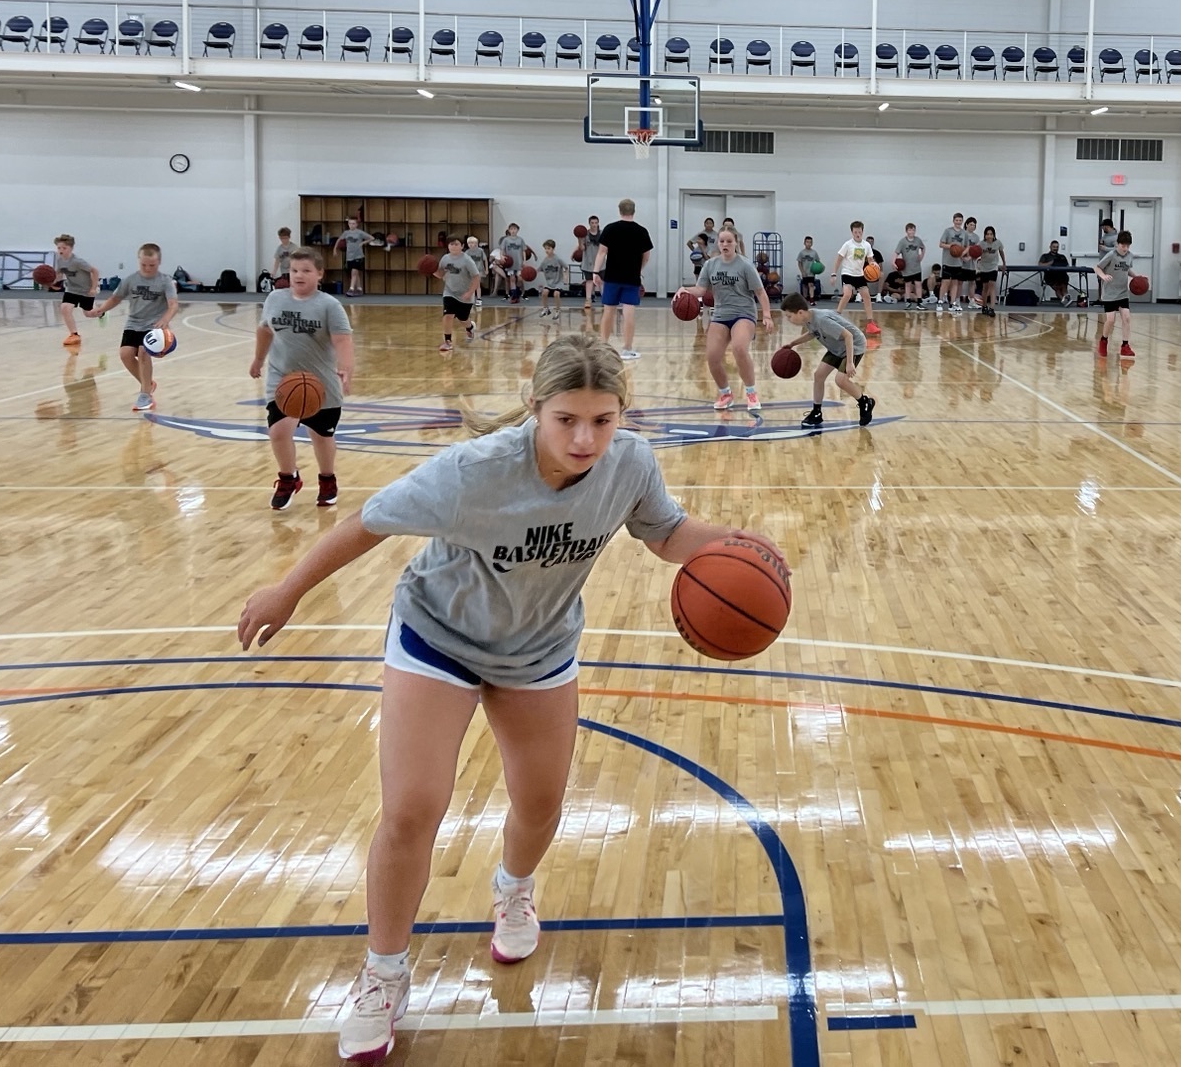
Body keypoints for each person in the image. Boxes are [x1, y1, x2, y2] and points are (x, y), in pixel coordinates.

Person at [235, 334, 783, 1067]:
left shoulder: (629, 465)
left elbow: (669, 535)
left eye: (603, 419)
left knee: (541, 802)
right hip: (440, 636)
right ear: (536, 410)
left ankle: (513, 889)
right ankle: (384, 974)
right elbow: (366, 522)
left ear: (623, 415)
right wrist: (286, 590)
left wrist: (745, 548)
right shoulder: (472, 473)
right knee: (411, 809)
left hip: (537, 648)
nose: (585, 438)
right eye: (567, 420)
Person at [250, 248, 354, 511]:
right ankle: (288, 478)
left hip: (320, 385)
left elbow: (343, 339)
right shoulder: (275, 298)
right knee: (278, 432)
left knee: (321, 437)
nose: (299, 275)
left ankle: (327, 479)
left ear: (319, 274)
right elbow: (264, 331)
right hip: (283, 379)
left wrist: (345, 366)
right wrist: (258, 359)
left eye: (306, 271)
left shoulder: (330, 305)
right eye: (294, 270)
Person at [681, 227, 772, 417]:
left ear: (736, 243)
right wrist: (684, 290)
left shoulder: (745, 265)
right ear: (717, 243)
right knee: (712, 356)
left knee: (739, 348)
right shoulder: (710, 265)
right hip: (721, 314)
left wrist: (768, 316)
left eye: (729, 241)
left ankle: (751, 393)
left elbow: (760, 292)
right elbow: (700, 290)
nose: (725, 244)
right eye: (721, 241)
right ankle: (725, 394)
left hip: (744, 313)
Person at [91, 242, 179, 412]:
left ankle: (145, 395)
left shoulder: (165, 281)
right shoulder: (130, 280)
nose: (147, 268)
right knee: (125, 354)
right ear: (139, 261)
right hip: (133, 323)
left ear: (159, 262)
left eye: (151, 265)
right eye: (143, 264)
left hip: (154, 325)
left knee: (144, 352)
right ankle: (148, 384)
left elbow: (173, 304)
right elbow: (116, 298)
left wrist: (166, 319)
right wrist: (101, 310)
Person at [779, 293, 873, 428]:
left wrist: (850, 362)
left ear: (800, 312)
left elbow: (848, 336)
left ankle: (865, 402)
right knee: (819, 375)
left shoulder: (822, 320)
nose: (788, 319)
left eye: (789, 316)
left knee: (841, 380)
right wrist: (793, 344)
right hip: (836, 346)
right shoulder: (809, 319)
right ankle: (817, 412)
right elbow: (813, 333)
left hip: (853, 346)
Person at [593, 198, 653, 361]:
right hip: (631, 278)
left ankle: (603, 346)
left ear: (619, 210)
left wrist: (595, 272)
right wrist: (638, 270)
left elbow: (601, 252)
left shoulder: (610, 229)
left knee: (608, 311)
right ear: (634, 211)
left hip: (612, 277)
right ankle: (627, 349)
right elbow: (646, 256)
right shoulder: (641, 231)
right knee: (629, 313)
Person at [832, 221, 881, 336]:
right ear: (852, 232)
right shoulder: (848, 245)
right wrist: (833, 273)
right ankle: (836, 317)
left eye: (859, 232)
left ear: (862, 231)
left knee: (867, 297)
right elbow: (839, 259)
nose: (857, 234)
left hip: (859, 274)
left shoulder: (866, 245)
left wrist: (874, 264)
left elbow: (870, 260)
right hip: (847, 273)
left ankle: (870, 324)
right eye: (855, 232)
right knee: (848, 294)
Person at [1093, 230, 1136, 358]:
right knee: (1110, 320)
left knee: (1127, 318)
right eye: (1123, 246)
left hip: (1123, 292)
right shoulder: (1111, 255)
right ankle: (1103, 340)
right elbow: (1097, 267)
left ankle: (1125, 346)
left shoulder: (1130, 256)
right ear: (1117, 244)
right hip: (1110, 293)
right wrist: (1103, 276)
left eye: (1128, 246)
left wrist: (1137, 277)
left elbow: (1127, 270)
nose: (1125, 248)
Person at [51, 234, 98, 347]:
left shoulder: (77, 261)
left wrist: (93, 288)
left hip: (86, 290)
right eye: (59, 248)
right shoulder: (59, 260)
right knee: (65, 308)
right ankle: (74, 334)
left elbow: (94, 271)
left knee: (88, 313)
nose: (61, 250)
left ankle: (102, 313)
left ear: (71, 248)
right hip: (71, 289)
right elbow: (59, 273)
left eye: (64, 248)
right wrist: (53, 283)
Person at [436, 237, 478, 353]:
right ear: (448, 246)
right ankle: (447, 341)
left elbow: (476, 277)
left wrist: (470, 292)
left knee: (463, 319)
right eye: (451, 244)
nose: (453, 246)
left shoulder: (467, 260)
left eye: (456, 244)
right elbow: (440, 274)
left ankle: (469, 327)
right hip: (449, 292)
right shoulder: (445, 258)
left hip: (465, 295)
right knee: (448, 315)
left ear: (462, 246)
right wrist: (431, 270)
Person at [338, 217, 380, 297]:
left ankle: (351, 289)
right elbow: (340, 240)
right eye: (350, 223)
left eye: (353, 223)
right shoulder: (346, 233)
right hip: (349, 256)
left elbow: (372, 238)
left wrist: (363, 242)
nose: (351, 225)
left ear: (357, 224)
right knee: (355, 273)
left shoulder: (360, 233)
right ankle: (359, 289)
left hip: (358, 256)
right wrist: (335, 249)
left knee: (354, 272)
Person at [895, 224, 928, 308]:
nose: (911, 232)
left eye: (913, 230)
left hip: (916, 267)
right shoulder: (902, 241)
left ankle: (919, 302)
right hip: (907, 267)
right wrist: (893, 262)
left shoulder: (918, 240)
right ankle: (908, 301)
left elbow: (923, 247)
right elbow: (896, 252)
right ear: (906, 231)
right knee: (908, 285)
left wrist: (922, 255)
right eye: (910, 230)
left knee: (918, 284)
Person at [974, 225, 1004, 314]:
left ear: (994, 235)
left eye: (991, 234)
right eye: (987, 234)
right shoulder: (981, 244)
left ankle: (992, 308)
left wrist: (1004, 263)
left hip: (993, 267)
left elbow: (1001, 252)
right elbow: (975, 253)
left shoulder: (998, 243)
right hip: (984, 268)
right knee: (985, 288)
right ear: (985, 235)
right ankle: (984, 305)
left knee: (992, 286)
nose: (989, 236)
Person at [579, 216, 603, 318]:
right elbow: (582, 248)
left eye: (595, 223)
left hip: (600, 262)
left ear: (598, 223)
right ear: (589, 224)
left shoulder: (602, 234)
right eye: (592, 223)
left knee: (601, 282)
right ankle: (588, 300)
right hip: (588, 262)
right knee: (589, 281)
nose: (594, 224)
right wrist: (579, 239)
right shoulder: (585, 235)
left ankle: (605, 299)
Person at [498, 224, 528, 304]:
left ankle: (517, 292)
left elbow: (523, 251)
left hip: (519, 262)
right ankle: (514, 296)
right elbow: (502, 250)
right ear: (509, 230)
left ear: (518, 230)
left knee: (520, 279)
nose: (513, 230)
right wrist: (501, 257)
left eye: (515, 229)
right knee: (512, 279)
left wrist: (524, 260)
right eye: (511, 229)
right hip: (510, 263)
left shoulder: (520, 240)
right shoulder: (506, 240)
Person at [536, 240, 566, 318]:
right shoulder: (545, 261)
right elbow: (538, 270)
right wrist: (530, 273)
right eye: (545, 249)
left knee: (556, 294)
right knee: (544, 293)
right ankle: (546, 309)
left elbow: (566, 267)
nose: (546, 250)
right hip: (549, 282)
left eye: (548, 248)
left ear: (553, 249)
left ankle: (558, 310)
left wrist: (566, 277)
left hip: (558, 281)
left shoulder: (558, 259)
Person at [1039, 239, 1070, 304]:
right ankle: (1064, 300)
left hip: (1062, 275)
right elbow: (1040, 265)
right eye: (1054, 247)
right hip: (1050, 276)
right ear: (1050, 247)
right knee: (1058, 287)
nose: (1055, 248)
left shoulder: (1062, 256)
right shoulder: (1045, 256)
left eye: (1057, 247)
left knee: (1063, 285)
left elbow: (1067, 266)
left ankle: (1065, 297)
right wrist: (1051, 263)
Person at [795, 237, 823, 303]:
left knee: (811, 285)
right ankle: (804, 299)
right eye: (807, 242)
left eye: (810, 242)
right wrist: (802, 271)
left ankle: (812, 299)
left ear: (812, 243)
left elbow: (818, 261)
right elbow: (799, 263)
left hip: (811, 272)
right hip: (805, 272)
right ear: (804, 243)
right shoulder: (802, 253)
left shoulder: (814, 253)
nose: (809, 244)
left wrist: (820, 268)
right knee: (805, 285)